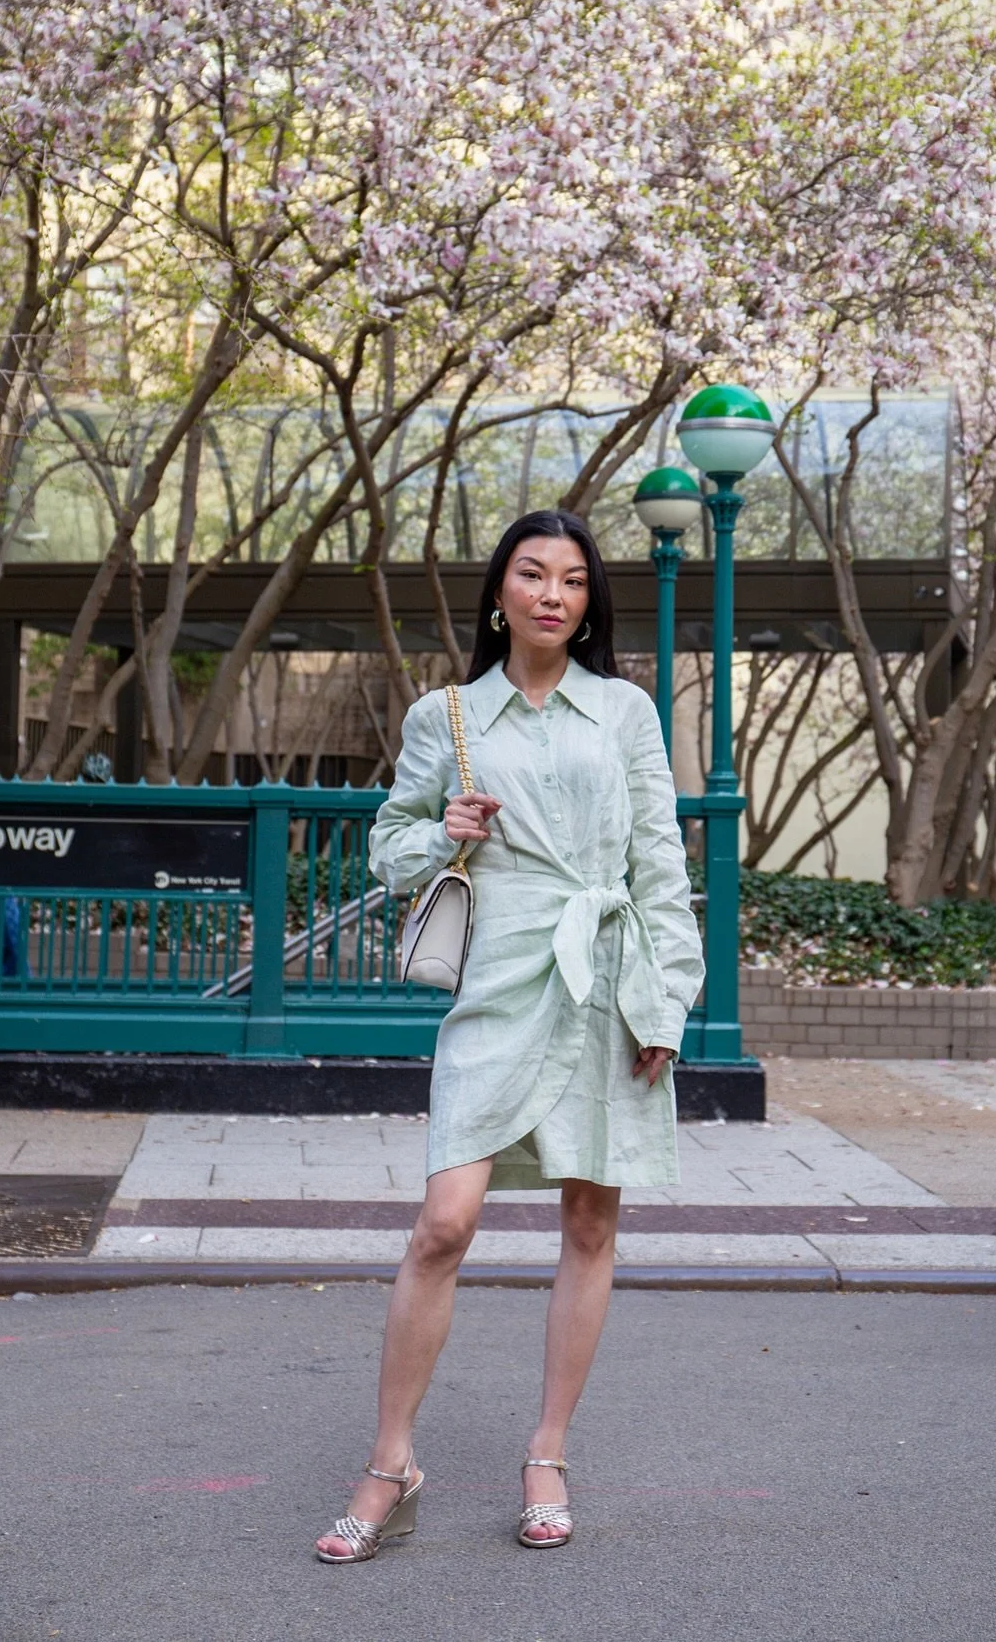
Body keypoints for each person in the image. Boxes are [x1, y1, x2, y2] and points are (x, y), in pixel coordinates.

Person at [314, 509, 704, 1562]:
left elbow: (660, 861)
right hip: (498, 974)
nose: (551, 593)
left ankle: (547, 1451)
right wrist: (444, 828)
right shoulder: (450, 714)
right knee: (445, 1219)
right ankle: (391, 1461)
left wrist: (665, 998)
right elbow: (388, 849)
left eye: (573, 580)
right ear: (500, 592)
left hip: (606, 972)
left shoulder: (624, 710)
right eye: (532, 573)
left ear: (588, 603)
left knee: (588, 1222)